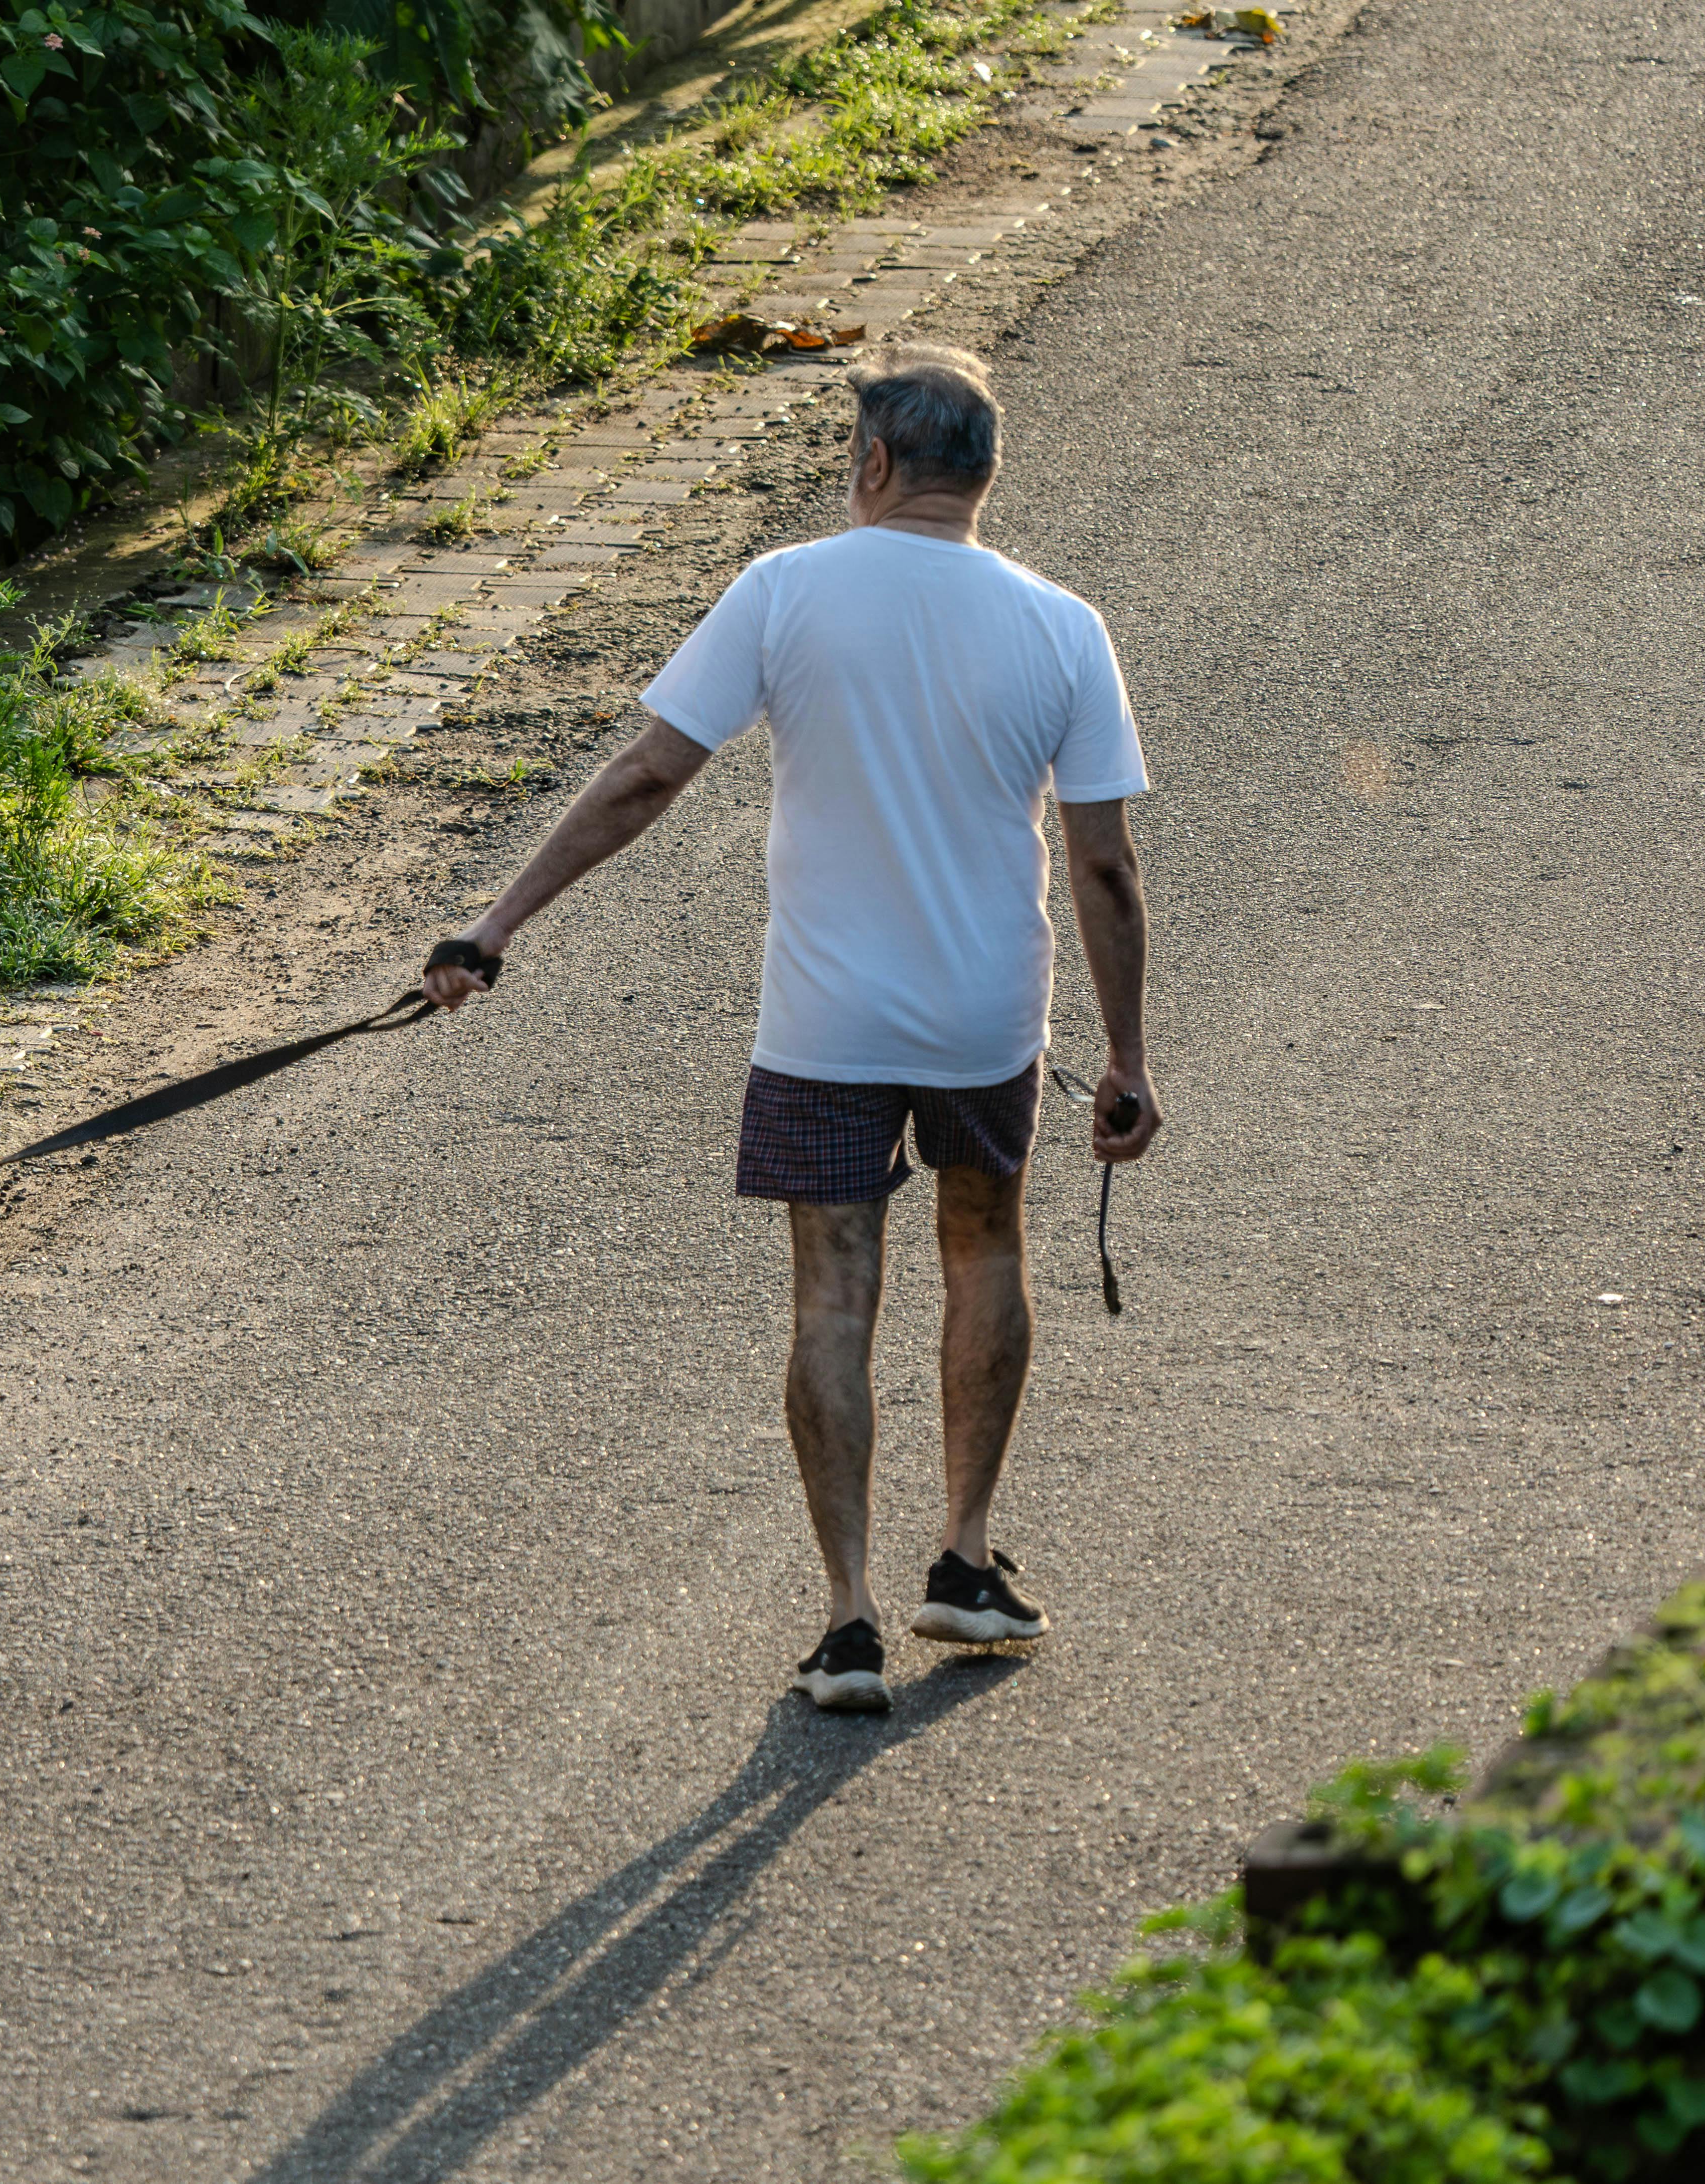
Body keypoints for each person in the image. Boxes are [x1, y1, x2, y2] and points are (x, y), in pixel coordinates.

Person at [424, 344, 1161, 1714]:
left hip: (826, 1018)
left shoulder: (783, 589)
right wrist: (1124, 1057)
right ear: (982, 473)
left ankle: (848, 1619)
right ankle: (964, 1557)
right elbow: (1104, 865)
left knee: (832, 1293)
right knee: (985, 1252)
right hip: (983, 1018)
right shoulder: (1064, 625)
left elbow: (646, 775)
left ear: (874, 461)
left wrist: (495, 925)